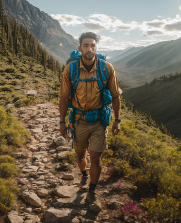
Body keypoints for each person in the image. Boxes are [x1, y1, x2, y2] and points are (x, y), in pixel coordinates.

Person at [59, 32, 121, 211]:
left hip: (99, 122)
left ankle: (92, 189)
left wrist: (117, 120)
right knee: (80, 155)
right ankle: (84, 174)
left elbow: (116, 95)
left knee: (95, 157)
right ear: (80, 48)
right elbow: (63, 98)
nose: (89, 49)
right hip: (78, 120)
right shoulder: (70, 69)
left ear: (96, 47)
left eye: (93, 45)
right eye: (86, 45)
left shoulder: (106, 68)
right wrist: (62, 122)